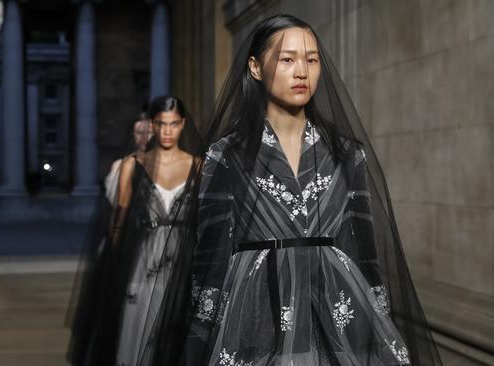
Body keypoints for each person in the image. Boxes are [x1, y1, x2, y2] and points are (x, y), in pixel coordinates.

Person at [177, 14, 443, 365]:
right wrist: (200, 337)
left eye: (312, 59)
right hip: (255, 312)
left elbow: (362, 247)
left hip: (336, 305)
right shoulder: (224, 155)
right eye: (287, 59)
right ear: (255, 68)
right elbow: (210, 256)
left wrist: (376, 315)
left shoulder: (347, 154)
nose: (302, 71)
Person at [67, 96, 201, 366]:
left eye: (173, 124)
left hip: (183, 260)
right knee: (137, 329)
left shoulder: (198, 164)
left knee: (177, 328)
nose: (167, 131)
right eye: (161, 124)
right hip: (141, 260)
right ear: (152, 124)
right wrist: (114, 269)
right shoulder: (133, 165)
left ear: (183, 124)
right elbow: (119, 221)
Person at [104, 114, 153, 205]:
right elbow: (116, 204)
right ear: (133, 134)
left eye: (149, 132)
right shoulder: (118, 166)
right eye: (139, 133)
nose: (144, 138)